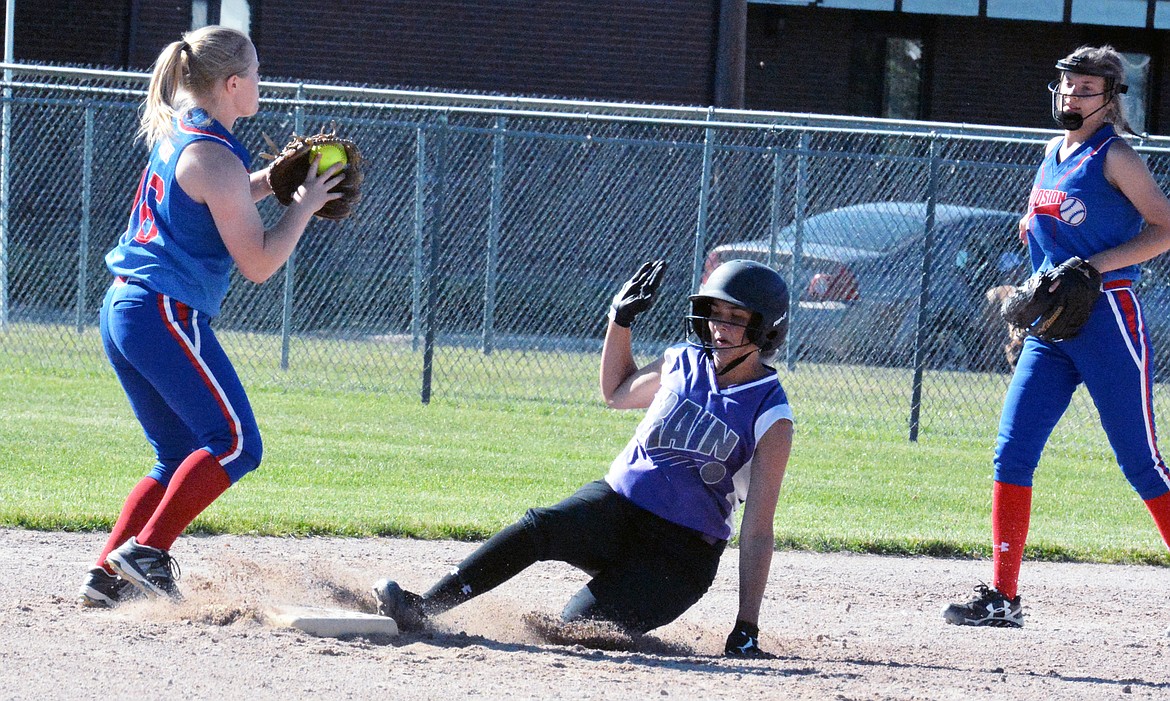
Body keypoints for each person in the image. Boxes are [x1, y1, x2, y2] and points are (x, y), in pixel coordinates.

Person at [372, 259, 794, 657]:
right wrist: (620, 320)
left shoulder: (771, 413)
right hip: (614, 509)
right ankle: (423, 607)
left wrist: (746, 627)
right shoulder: (681, 361)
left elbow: (757, 529)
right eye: (714, 312)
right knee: (540, 526)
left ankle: (620, 601)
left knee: (576, 628)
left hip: (678, 557)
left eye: (737, 319)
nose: (720, 327)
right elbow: (616, 392)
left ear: (767, 330)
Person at [76, 25, 344, 606]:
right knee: (235, 442)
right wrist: (303, 208)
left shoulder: (186, 135)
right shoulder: (214, 157)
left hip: (126, 309)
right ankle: (146, 555)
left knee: (176, 455)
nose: (258, 84)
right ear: (230, 84)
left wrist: (272, 184)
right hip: (163, 313)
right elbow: (259, 262)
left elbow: (219, 194)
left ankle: (109, 573)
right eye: (253, 74)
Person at [944, 45, 1170, 627]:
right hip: (1051, 330)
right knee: (1012, 452)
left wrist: (1095, 267)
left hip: (1108, 319)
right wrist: (1034, 243)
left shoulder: (1115, 156)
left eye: (1086, 89)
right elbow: (1045, 224)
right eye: (1067, 86)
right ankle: (1002, 594)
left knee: (1140, 463)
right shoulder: (1052, 152)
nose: (1072, 96)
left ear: (1111, 98)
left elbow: (1164, 229)